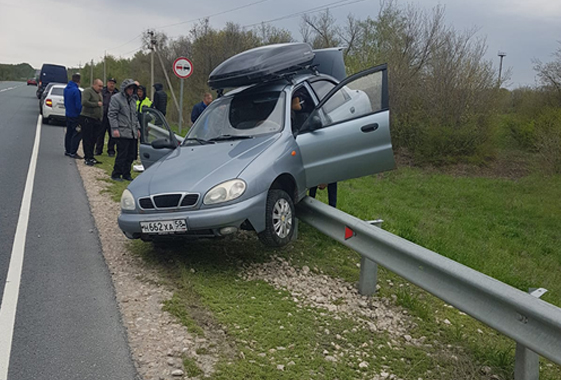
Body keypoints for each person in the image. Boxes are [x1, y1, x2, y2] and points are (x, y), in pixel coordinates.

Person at [108, 79, 140, 182]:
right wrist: (115, 129)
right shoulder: (116, 99)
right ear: (125, 89)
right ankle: (116, 174)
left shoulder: (133, 100)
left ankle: (127, 174)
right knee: (122, 154)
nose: (131, 91)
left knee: (131, 155)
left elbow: (135, 116)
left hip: (132, 132)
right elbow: (112, 114)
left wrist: (138, 128)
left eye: (132, 89)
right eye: (129, 88)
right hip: (122, 131)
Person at [80, 79, 104, 166]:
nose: (101, 88)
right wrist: (96, 104)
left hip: (96, 119)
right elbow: (84, 102)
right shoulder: (88, 91)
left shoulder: (99, 94)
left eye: (102, 86)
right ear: (94, 85)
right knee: (87, 138)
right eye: (99, 86)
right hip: (87, 118)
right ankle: (87, 157)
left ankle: (91, 156)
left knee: (94, 139)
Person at [95, 78, 118, 157]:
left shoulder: (117, 93)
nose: (112, 85)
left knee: (112, 135)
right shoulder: (102, 91)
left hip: (112, 117)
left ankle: (111, 150)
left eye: (113, 83)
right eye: (110, 83)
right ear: (107, 83)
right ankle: (98, 150)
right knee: (100, 134)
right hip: (103, 115)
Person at [63, 73, 83, 158]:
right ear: (79, 81)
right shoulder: (76, 91)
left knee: (69, 132)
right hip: (75, 115)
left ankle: (67, 150)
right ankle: (73, 151)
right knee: (77, 133)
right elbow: (78, 105)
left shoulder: (66, 89)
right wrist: (81, 113)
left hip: (68, 114)